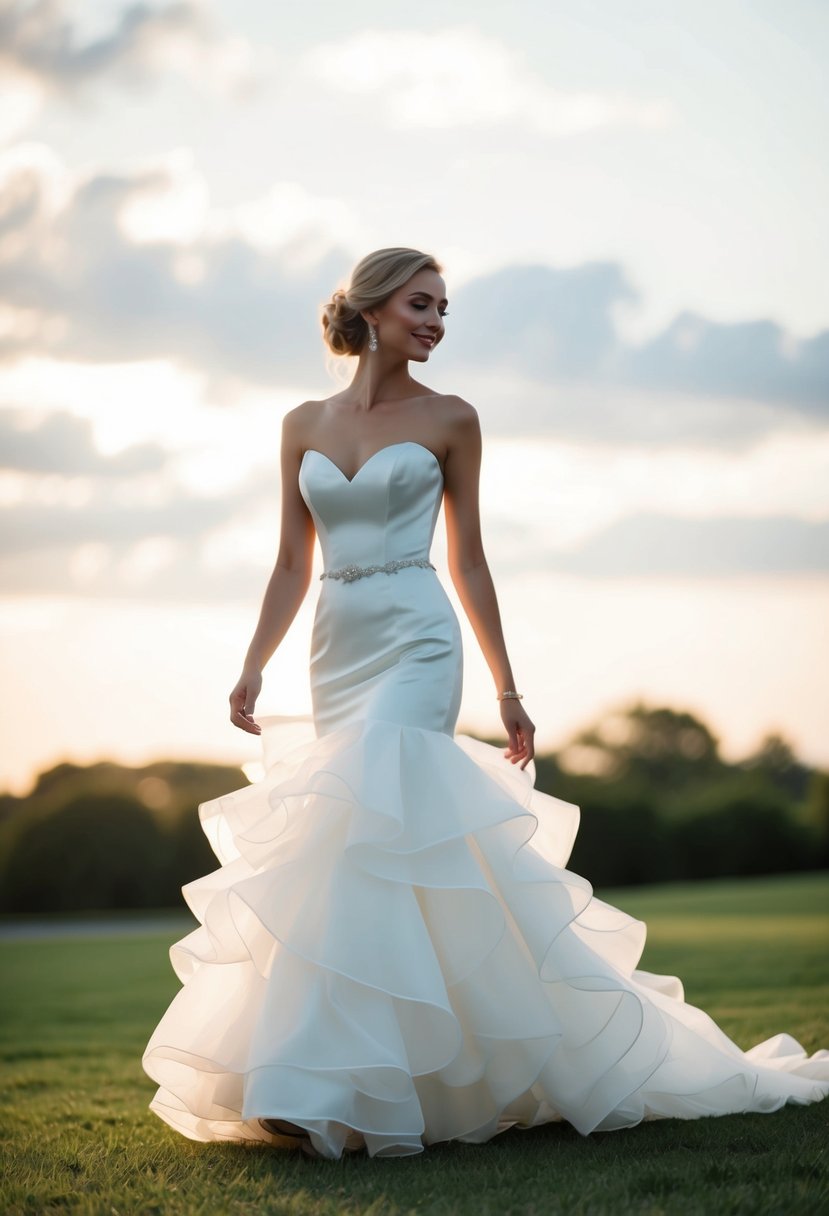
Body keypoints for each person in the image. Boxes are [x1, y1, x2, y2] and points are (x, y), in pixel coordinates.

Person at [142, 246, 829, 1160]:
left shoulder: (453, 418)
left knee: (379, 822)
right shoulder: (299, 423)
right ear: (374, 309)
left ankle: (338, 1087)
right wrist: (250, 667)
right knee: (339, 846)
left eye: (443, 309)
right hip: (334, 642)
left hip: (419, 639)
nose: (435, 322)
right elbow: (287, 562)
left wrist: (506, 687)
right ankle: (325, 1080)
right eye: (421, 304)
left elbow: (467, 558)